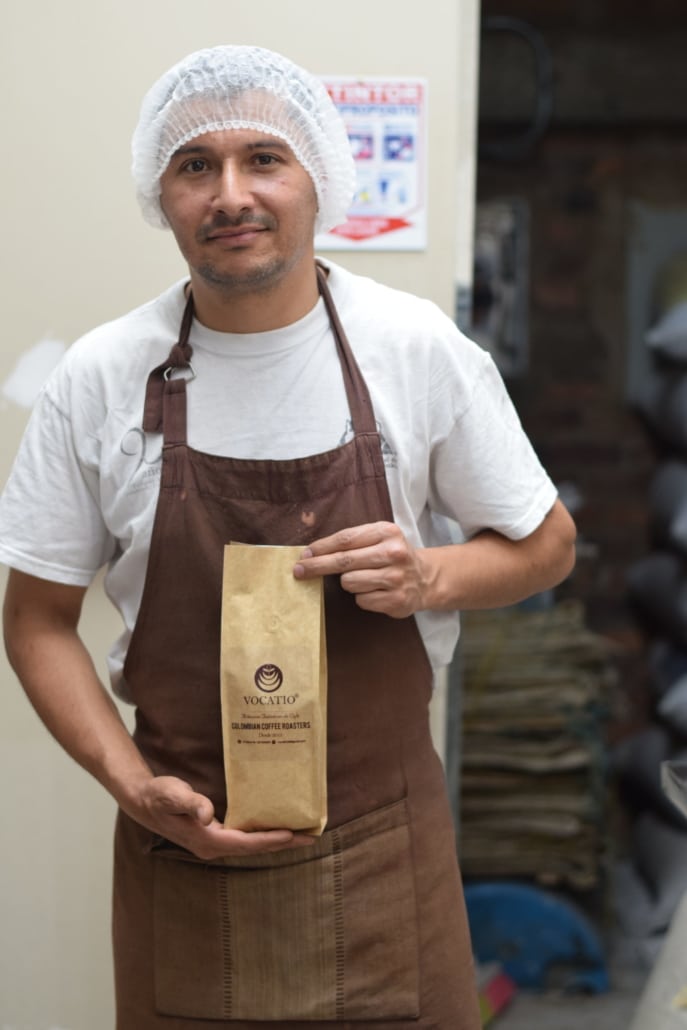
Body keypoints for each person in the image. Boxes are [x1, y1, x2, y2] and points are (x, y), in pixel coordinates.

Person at [0, 44, 576, 1029]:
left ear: (319, 181)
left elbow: (546, 545)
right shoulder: (100, 377)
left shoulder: (413, 349)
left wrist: (430, 574)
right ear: (162, 196)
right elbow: (36, 619)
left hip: (386, 852)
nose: (231, 194)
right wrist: (133, 786)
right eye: (196, 166)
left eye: (263, 159)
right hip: (185, 847)